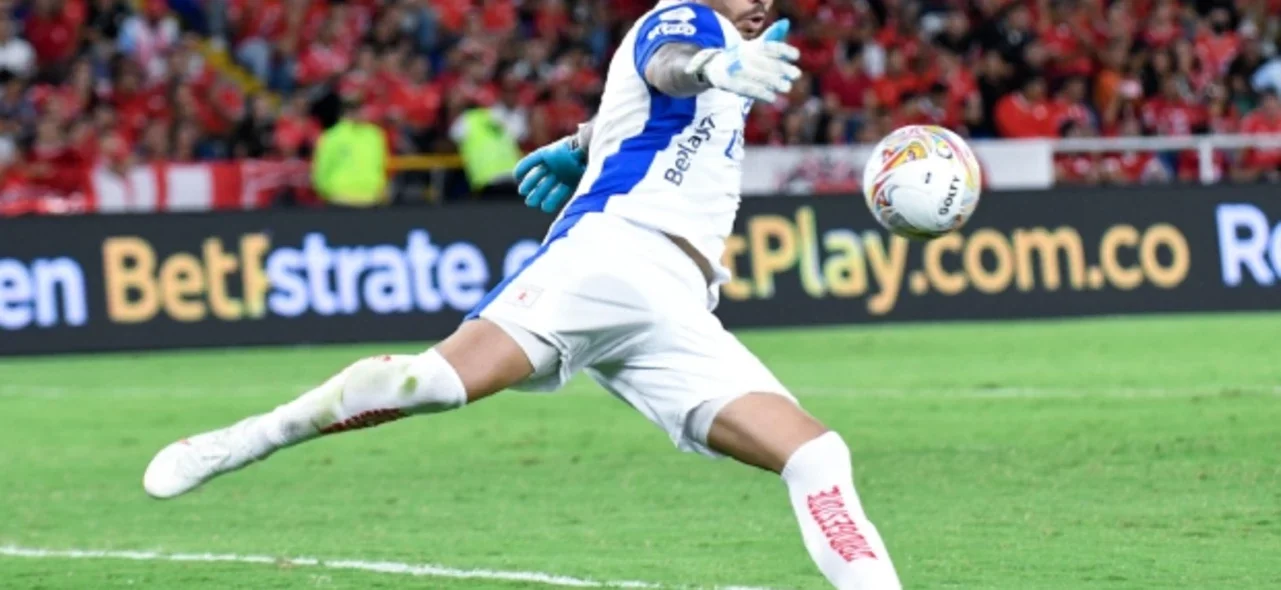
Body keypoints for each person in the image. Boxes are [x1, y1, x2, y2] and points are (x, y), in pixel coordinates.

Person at [142, 2, 902, 588]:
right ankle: (250, 436)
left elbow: (646, 105)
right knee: (431, 384)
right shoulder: (689, 22)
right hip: (608, 260)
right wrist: (710, 66)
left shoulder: (739, 64)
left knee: (815, 455)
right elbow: (668, 62)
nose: (761, 3)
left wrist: (583, 144)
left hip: (676, 308)